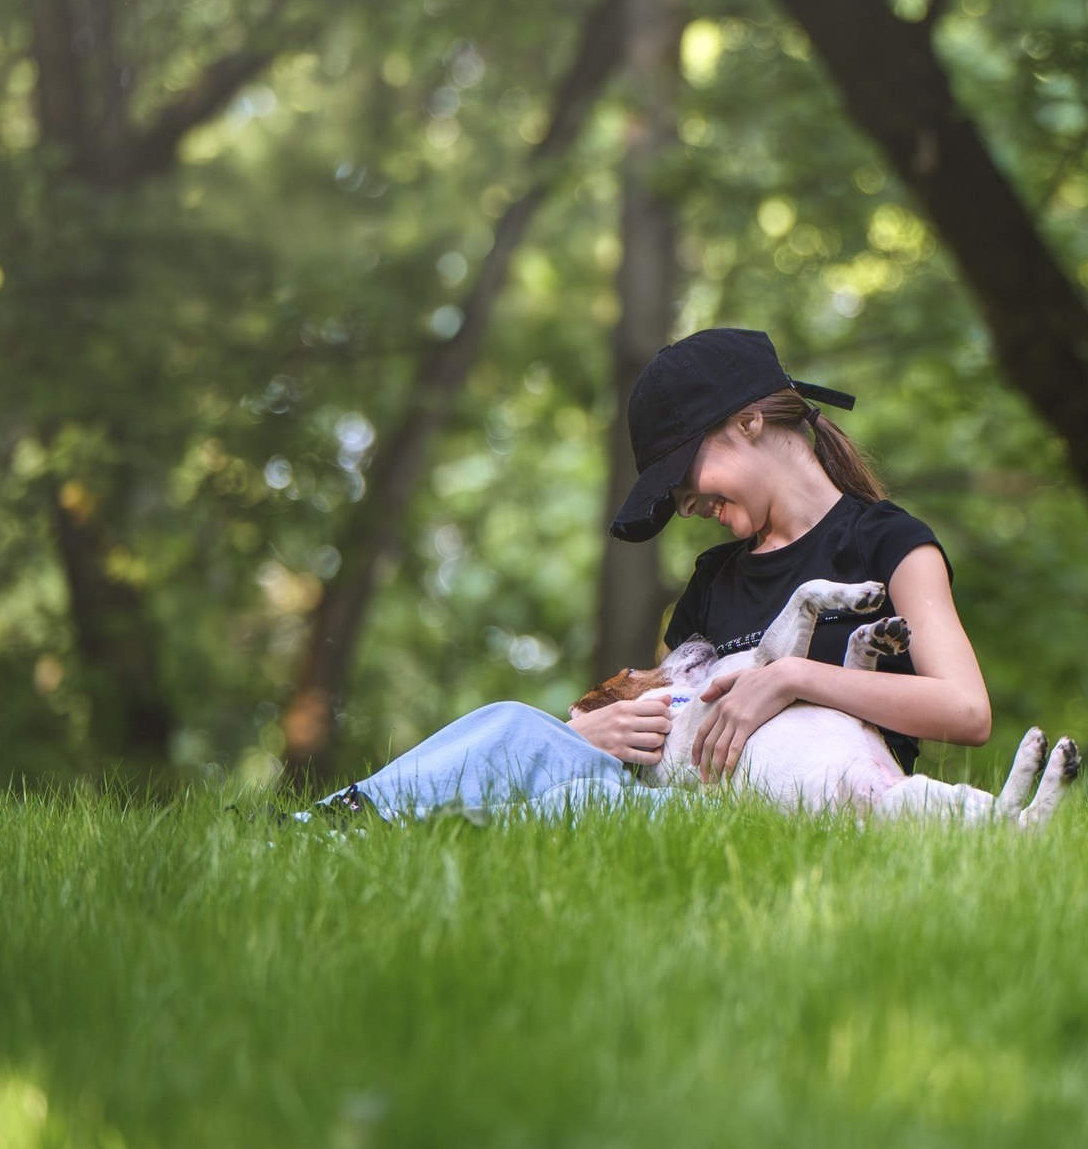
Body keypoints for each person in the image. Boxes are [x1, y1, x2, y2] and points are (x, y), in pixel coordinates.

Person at [325, 328, 990, 819]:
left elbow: (965, 710)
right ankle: (340, 822)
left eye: (683, 478)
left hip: (834, 807)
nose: (685, 505)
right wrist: (592, 733)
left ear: (750, 421)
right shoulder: (713, 579)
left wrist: (791, 676)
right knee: (523, 735)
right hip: (694, 810)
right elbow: (670, 725)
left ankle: (351, 823)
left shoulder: (886, 542)